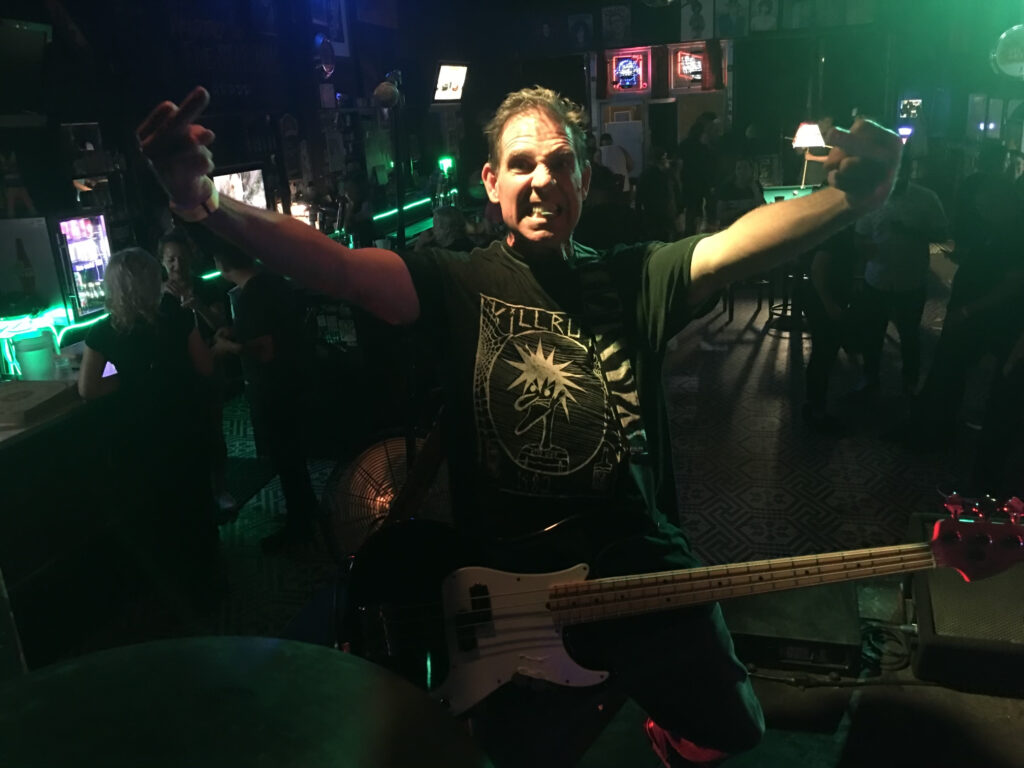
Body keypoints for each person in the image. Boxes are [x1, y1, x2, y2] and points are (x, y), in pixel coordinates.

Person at [138, 84, 900, 767]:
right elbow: (337, 268)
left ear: (583, 180)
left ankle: (664, 729)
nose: (543, 179)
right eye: (523, 163)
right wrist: (208, 203)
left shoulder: (634, 273)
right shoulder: (457, 280)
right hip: (514, 603)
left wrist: (854, 197)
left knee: (734, 728)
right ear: (491, 182)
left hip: (640, 566)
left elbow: (737, 246)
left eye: (561, 163)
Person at [78, 247, 220, 604]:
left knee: (155, 507)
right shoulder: (177, 315)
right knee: (195, 500)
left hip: (139, 434)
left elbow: (88, 388)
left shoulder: (103, 331)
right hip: (185, 424)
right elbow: (205, 367)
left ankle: (169, 592)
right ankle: (209, 582)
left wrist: (130, 380)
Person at [209, 245, 319, 553]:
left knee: (285, 458)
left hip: (274, 387)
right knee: (293, 457)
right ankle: (308, 511)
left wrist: (227, 348)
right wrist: (236, 331)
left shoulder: (250, 296)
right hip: (295, 379)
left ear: (221, 263)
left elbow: (264, 350)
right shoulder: (272, 280)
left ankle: (299, 528)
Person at [852, 151, 948, 399]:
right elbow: (860, 235)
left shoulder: (926, 198)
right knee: (872, 335)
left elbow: (942, 233)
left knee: (909, 334)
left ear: (906, 170)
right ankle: (870, 378)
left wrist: (913, 232)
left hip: (911, 280)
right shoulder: (871, 197)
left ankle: (910, 382)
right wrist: (863, 255)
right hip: (877, 278)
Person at [158, 228, 236, 515]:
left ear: (191, 258)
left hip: (210, 365)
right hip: (177, 373)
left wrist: (197, 306)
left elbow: (221, 324)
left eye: (181, 258)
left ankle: (220, 489)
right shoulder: (157, 295)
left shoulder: (205, 287)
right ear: (162, 261)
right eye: (170, 260)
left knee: (213, 428)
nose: (176, 265)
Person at [598, 132, 633, 197]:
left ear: (601, 142)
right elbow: (631, 165)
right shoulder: (621, 149)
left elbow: (597, 169)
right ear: (611, 141)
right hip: (623, 185)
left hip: (607, 189)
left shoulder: (599, 152)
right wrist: (622, 172)